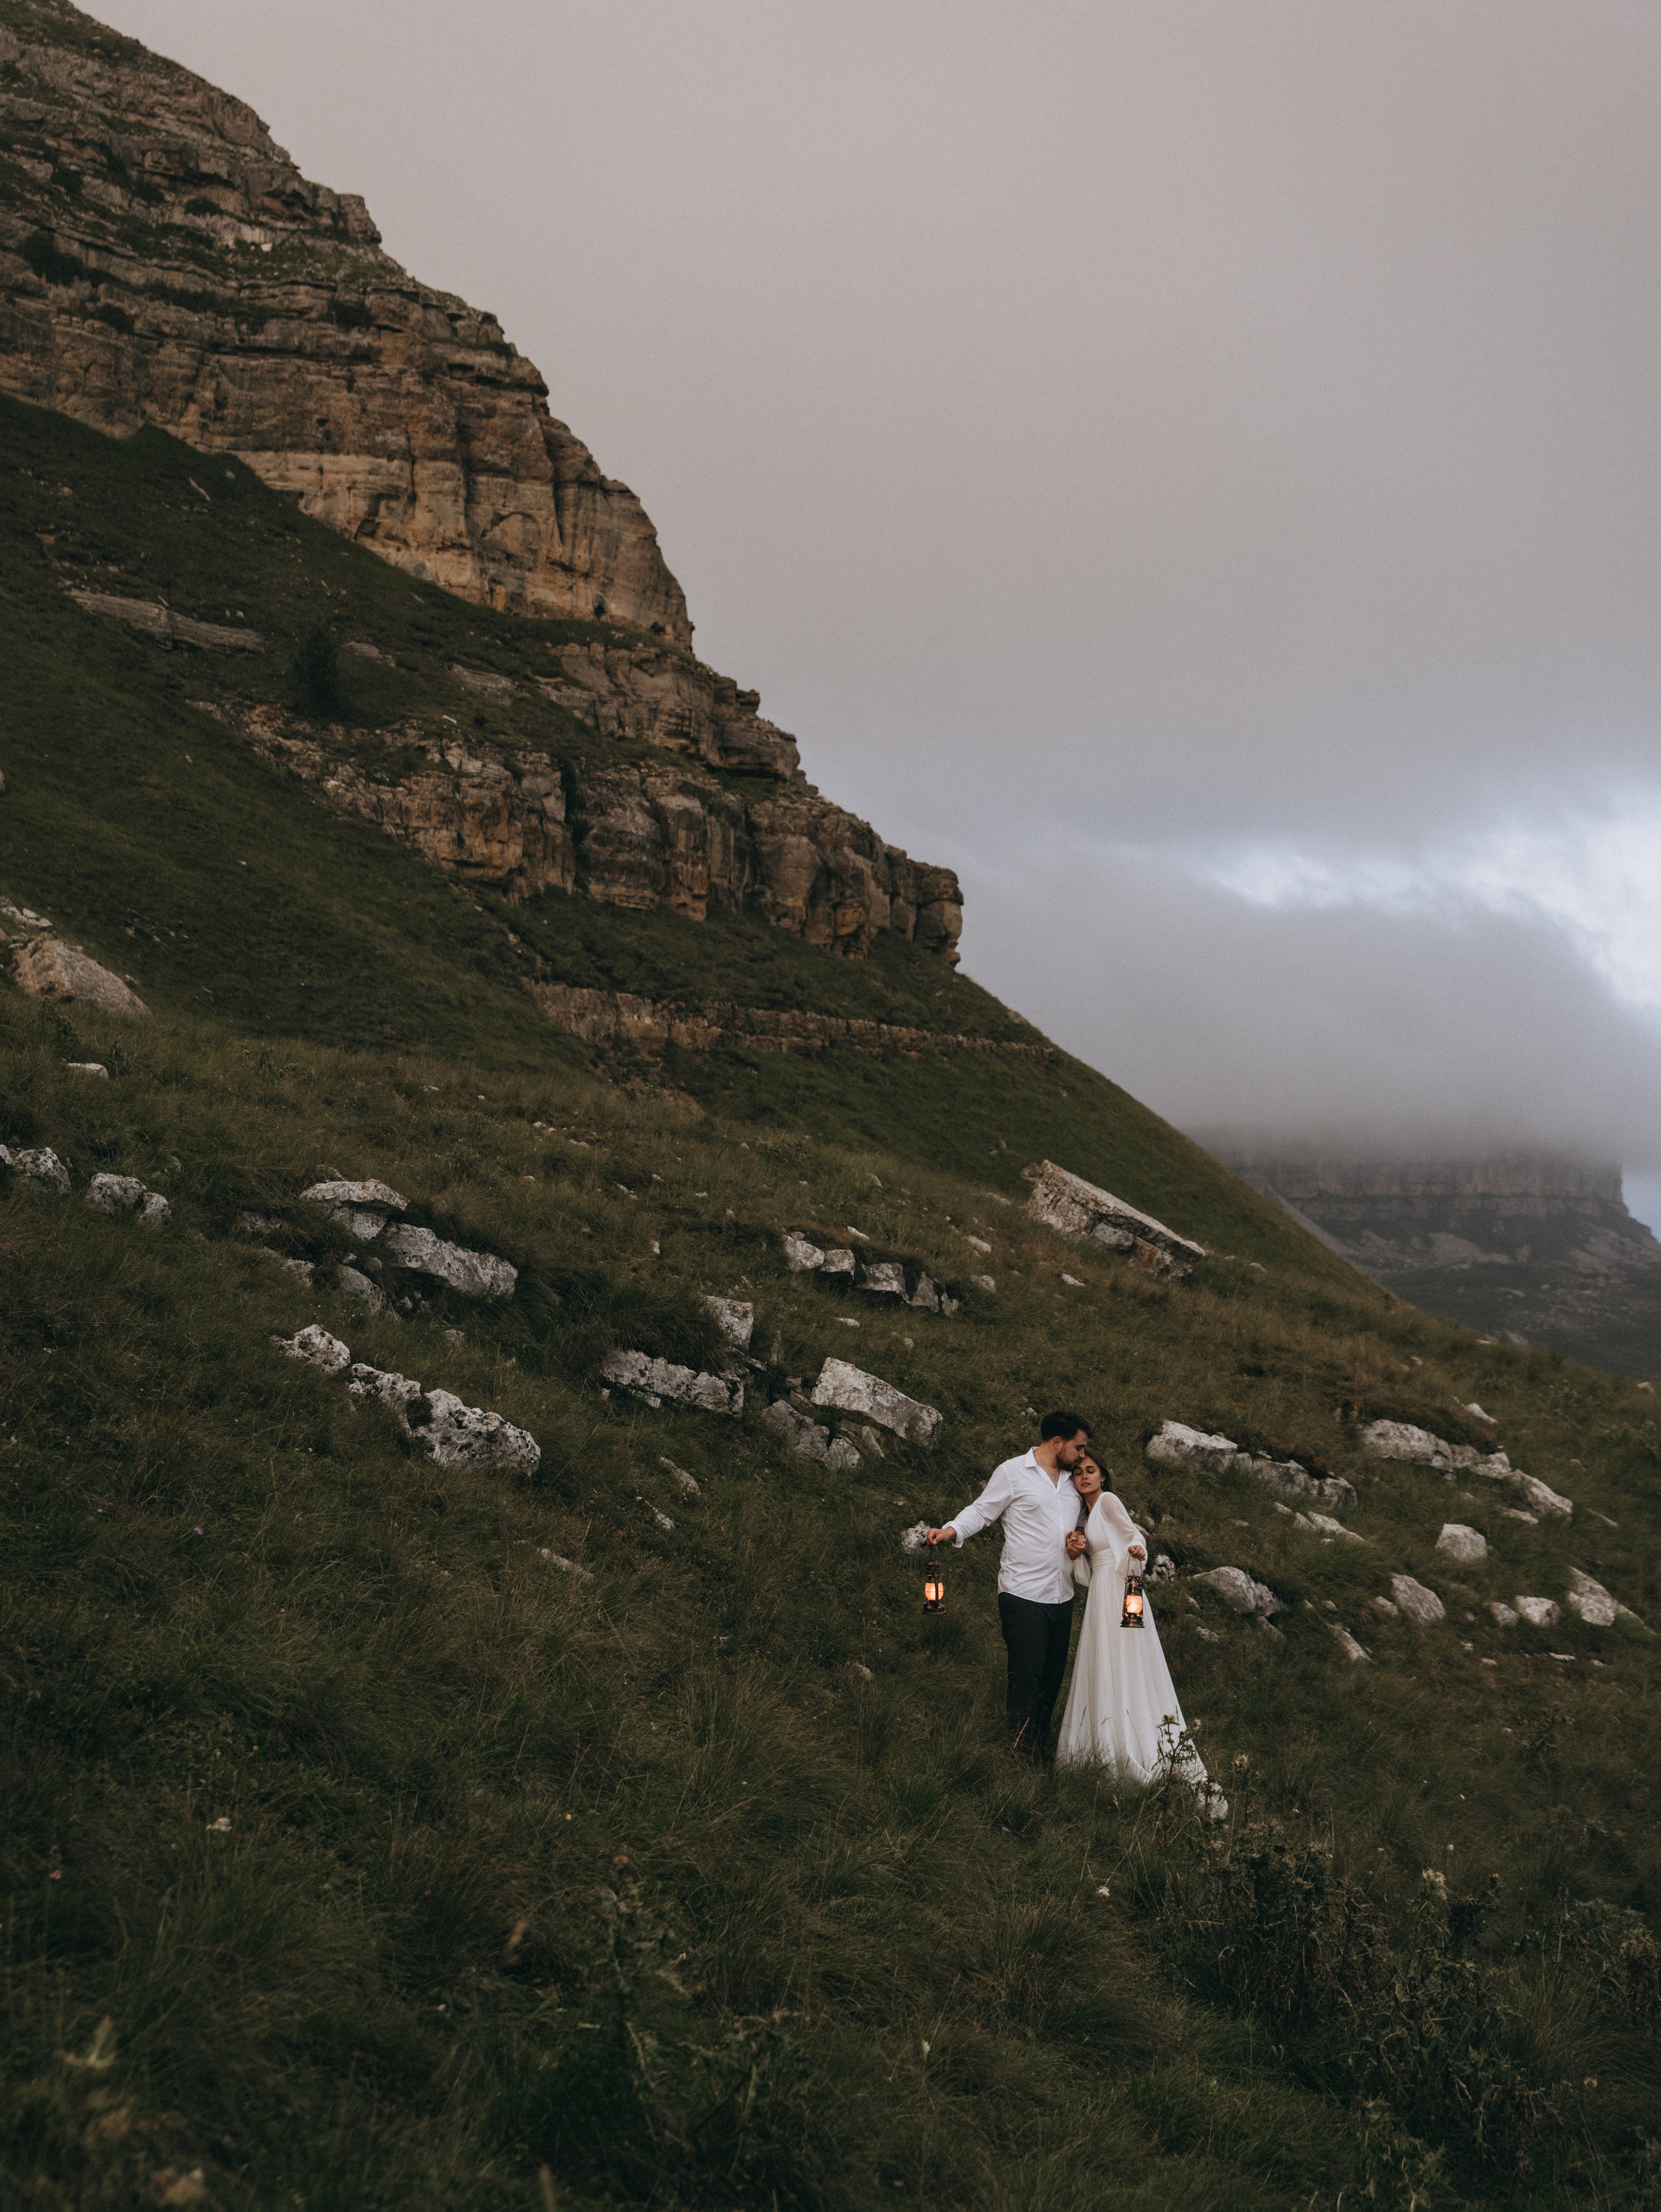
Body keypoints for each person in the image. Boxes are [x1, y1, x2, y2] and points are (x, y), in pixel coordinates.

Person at [1053, 1449, 1218, 1810]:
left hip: (1121, 1589)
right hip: (1101, 1591)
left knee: (1125, 1657)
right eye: (1078, 1472)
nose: (1084, 1476)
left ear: (1103, 1476)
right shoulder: (1085, 1515)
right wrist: (1077, 1551)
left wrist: (1137, 1551)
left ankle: (1130, 1739)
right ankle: (1102, 1740)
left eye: (1091, 1470)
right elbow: (1087, 1571)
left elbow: (1134, 1535)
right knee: (1104, 1657)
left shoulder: (1108, 1501)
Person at [927, 1412, 1093, 1761]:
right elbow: (982, 1511)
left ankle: (1040, 1749)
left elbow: (1082, 1523)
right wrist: (951, 1530)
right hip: (1022, 1593)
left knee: (1051, 1678)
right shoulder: (1013, 1472)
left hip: (1062, 1595)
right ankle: (1020, 1753)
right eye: (1078, 1448)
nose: (1082, 1455)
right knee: (1026, 1677)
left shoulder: (1073, 1481)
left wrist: (1080, 1540)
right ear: (1057, 1443)